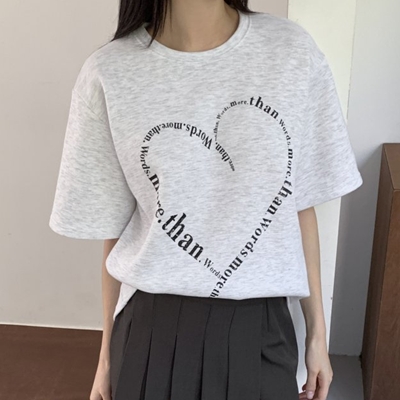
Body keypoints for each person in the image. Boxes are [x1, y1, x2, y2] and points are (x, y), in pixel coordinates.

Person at [48, 0, 363, 399]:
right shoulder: (109, 72)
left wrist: (318, 335)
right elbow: (117, 228)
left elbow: (299, 204)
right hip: (151, 332)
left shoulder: (291, 52)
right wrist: (106, 359)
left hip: (261, 328)